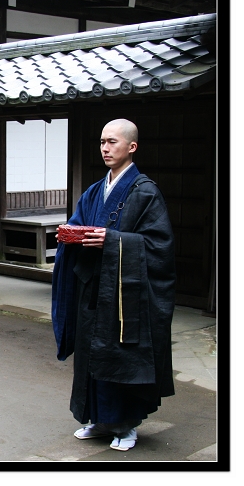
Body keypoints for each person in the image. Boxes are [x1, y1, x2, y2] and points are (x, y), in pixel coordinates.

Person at [51, 118, 176, 452]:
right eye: (102, 142)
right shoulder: (95, 190)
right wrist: (69, 233)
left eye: (113, 142)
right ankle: (97, 419)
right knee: (92, 356)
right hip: (93, 289)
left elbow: (159, 246)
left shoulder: (146, 192)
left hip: (125, 295)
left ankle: (125, 425)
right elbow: (79, 223)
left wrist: (114, 240)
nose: (105, 148)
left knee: (120, 357)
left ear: (131, 147)